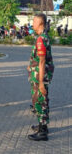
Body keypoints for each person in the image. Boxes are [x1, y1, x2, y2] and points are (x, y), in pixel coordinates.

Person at [27, 13, 54, 141]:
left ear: (41, 23)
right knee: (41, 100)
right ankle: (42, 125)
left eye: (34, 21)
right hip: (40, 73)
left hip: (40, 76)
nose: (32, 24)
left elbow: (42, 61)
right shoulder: (43, 37)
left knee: (40, 100)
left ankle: (42, 131)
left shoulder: (41, 39)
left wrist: (41, 82)